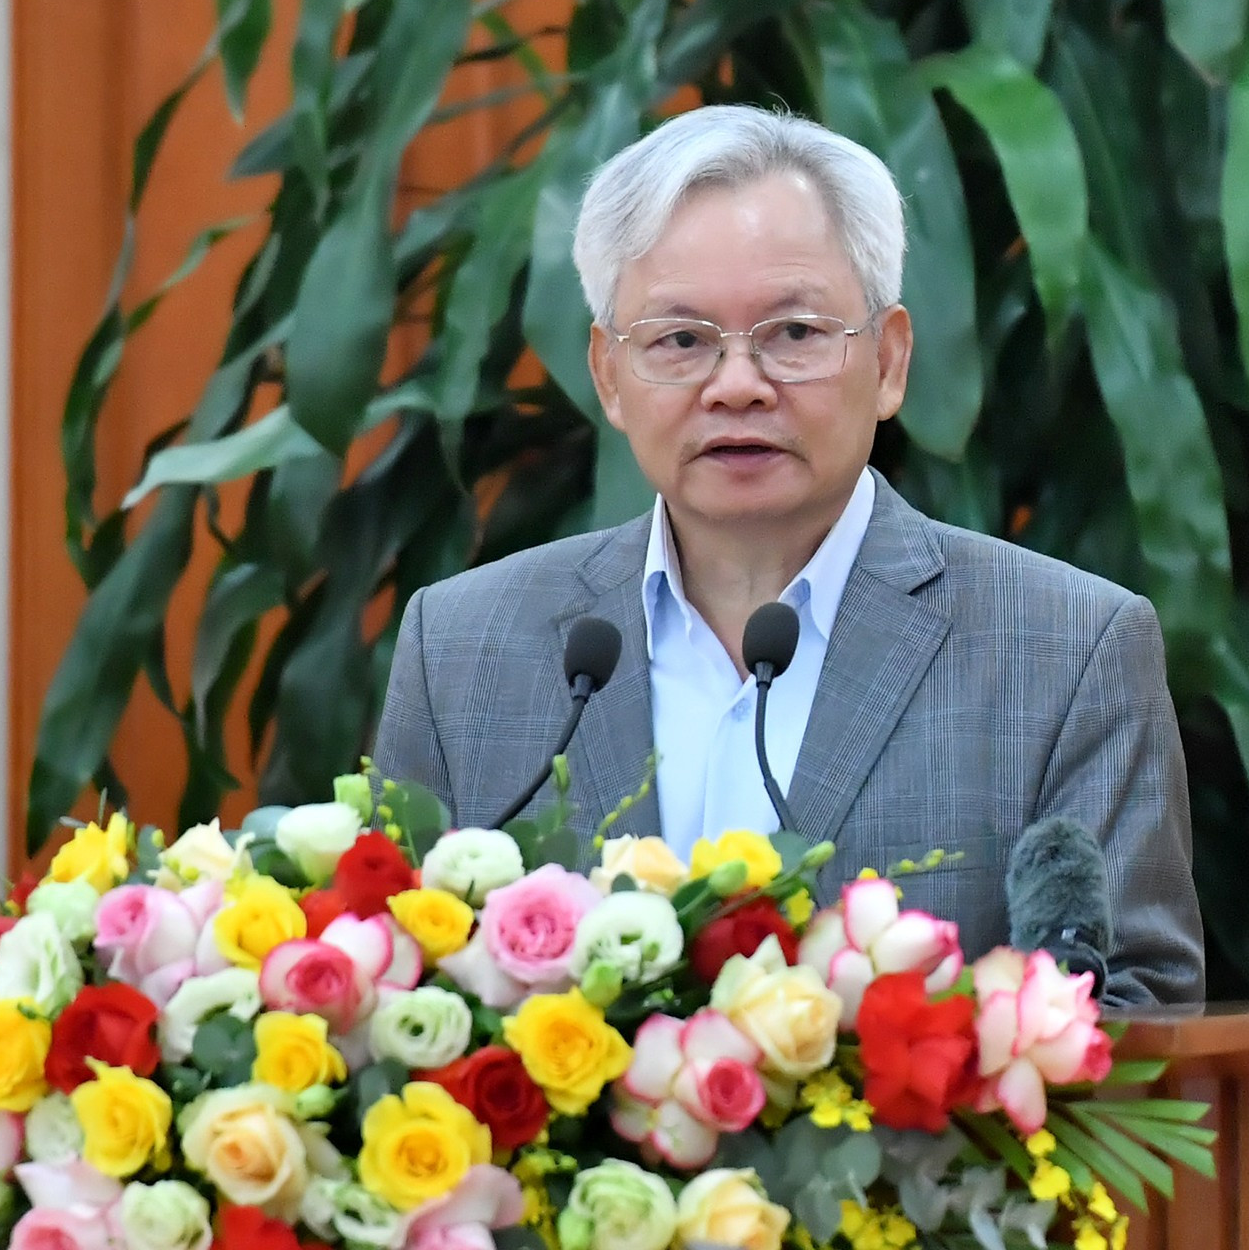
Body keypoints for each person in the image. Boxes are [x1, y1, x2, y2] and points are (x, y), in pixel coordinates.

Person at [374, 105, 1202, 1005]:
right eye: (681, 341)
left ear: (888, 362)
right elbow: (391, 986)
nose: (736, 386)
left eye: (795, 335)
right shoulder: (462, 649)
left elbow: (1138, 1021)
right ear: (610, 376)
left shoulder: (1068, 650)